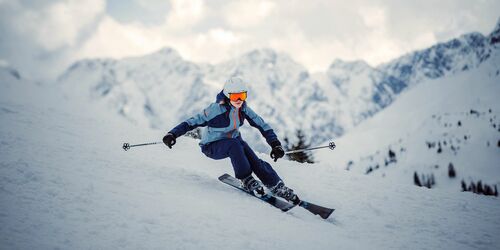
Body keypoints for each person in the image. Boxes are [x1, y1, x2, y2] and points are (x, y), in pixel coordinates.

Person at [163, 76, 300, 204]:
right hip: (211, 146)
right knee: (235, 144)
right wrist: (172, 134)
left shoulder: (244, 109)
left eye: (242, 95)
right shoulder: (215, 109)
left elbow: (262, 125)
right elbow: (191, 122)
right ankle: (246, 179)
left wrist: (275, 145)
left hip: (234, 143)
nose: (239, 100)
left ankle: (276, 185)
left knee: (253, 159)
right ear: (228, 95)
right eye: (235, 96)